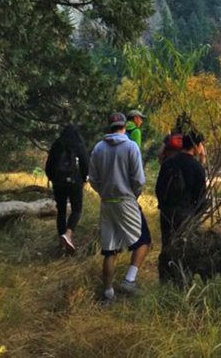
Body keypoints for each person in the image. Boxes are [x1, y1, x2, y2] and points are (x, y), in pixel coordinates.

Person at [87, 112, 151, 304]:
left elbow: (93, 179)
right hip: (126, 200)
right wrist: (134, 195)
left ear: (109, 127)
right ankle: (129, 280)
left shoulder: (99, 148)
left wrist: (103, 192)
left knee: (109, 250)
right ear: (125, 125)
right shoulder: (131, 146)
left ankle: (108, 294)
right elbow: (139, 179)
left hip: (107, 203)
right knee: (144, 241)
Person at [155, 128, 207, 284]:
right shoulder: (197, 167)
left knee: (167, 245)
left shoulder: (168, 162)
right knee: (184, 249)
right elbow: (201, 196)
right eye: (201, 145)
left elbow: (159, 188)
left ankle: (164, 280)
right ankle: (182, 281)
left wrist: (163, 206)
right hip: (186, 214)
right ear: (196, 145)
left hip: (167, 211)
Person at [44, 123, 89, 253]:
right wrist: (84, 178)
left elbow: (48, 166)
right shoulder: (79, 145)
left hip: (58, 183)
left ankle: (61, 242)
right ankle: (68, 234)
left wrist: (53, 178)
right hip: (75, 182)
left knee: (61, 211)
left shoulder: (57, 145)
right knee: (77, 209)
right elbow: (86, 164)